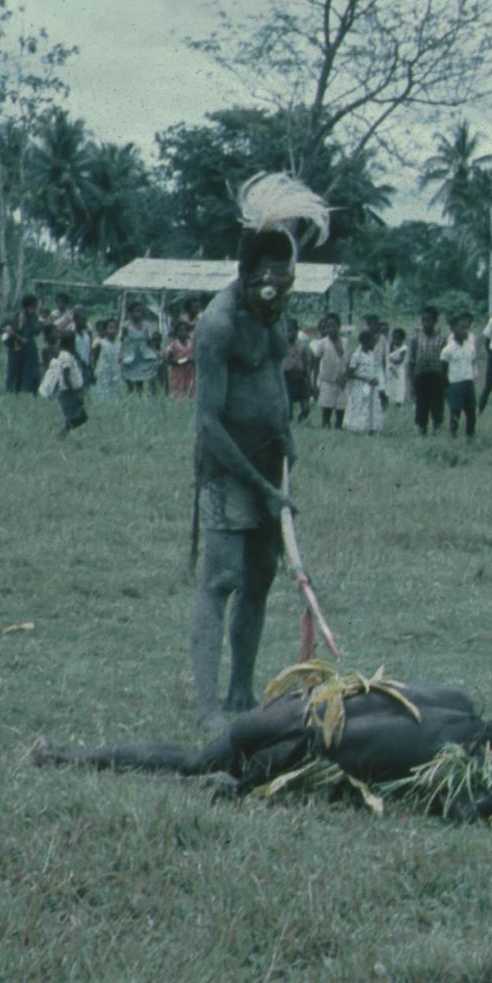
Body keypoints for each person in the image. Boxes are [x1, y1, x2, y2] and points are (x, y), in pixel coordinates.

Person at [33, 669, 492, 818]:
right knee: (205, 773)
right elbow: (466, 811)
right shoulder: (458, 765)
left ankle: (64, 755)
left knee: (195, 757)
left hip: (304, 704)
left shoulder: (453, 696)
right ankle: (230, 786)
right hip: (296, 758)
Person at [190, 172, 326, 736]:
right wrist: (258, 482)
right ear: (246, 277)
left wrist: (285, 448)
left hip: (272, 467)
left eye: (285, 289)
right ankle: (207, 708)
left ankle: (241, 687)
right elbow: (209, 423)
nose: (276, 300)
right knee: (220, 580)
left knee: (261, 579)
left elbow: (273, 382)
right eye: (267, 288)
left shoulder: (275, 315)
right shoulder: (217, 325)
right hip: (227, 468)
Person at [407, 305, 446, 436]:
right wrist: (411, 383)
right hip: (421, 377)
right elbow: (411, 361)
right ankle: (421, 433)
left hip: (437, 377)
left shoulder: (442, 338)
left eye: (428, 320)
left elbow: (445, 362)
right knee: (421, 407)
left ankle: (437, 432)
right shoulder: (415, 337)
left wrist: (446, 381)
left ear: (435, 321)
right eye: (423, 320)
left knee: (437, 407)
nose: (425, 323)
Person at [441, 312, 478, 440]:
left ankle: (470, 437)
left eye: (467, 328)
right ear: (453, 329)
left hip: (468, 383)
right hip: (455, 384)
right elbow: (444, 371)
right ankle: (452, 436)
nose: (465, 331)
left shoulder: (470, 347)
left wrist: (473, 377)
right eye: (462, 328)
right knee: (455, 412)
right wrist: (446, 388)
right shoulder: (448, 349)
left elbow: (473, 363)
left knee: (471, 413)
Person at [343, 327, 384, 434]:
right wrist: (365, 379)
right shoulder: (357, 356)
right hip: (360, 387)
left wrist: (375, 379)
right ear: (365, 342)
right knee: (360, 406)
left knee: (371, 407)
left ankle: (371, 427)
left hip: (371, 387)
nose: (374, 344)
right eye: (372, 342)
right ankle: (358, 427)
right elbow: (349, 374)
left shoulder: (371, 354)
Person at [311, 312, 347, 429]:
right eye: (328, 326)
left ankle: (339, 426)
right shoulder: (323, 343)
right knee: (327, 406)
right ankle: (325, 425)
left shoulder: (345, 342)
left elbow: (348, 362)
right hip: (327, 379)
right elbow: (316, 363)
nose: (331, 329)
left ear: (339, 326)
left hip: (341, 381)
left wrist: (345, 378)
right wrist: (314, 382)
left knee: (341, 406)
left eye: (334, 326)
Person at [52, 331, 89, 439]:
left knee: (81, 416)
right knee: (76, 415)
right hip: (69, 391)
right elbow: (66, 375)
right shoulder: (66, 356)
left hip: (73, 390)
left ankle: (63, 433)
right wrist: (74, 392)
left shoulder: (69, 355)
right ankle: (60, 434)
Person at [120, 301, 159, 392]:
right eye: (136, 311)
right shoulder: (126, 326)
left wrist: (155, 351)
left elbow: (149, 341)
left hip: (143, 353)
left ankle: (142, 395)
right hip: (131, 353)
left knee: (142, 378)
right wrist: (121, 353)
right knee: (129, 378)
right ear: (130, 313)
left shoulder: (146, 325)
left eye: (140, 311)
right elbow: (122, 341)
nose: (138, 314)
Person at [282, 318, 313, 422]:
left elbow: (306, 363)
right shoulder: (282, 346)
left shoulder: (302, 346)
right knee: (288, 405)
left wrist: (308, 378)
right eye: (286, 331)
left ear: (296, 331)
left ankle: (300, 418)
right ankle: (289, 422)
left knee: (306, 407)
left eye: (290, 330)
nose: (288, 333)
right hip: (287, 378)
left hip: (300, 378)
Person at [92, 317, 124, 399]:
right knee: (104, 394)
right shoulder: (100, 343)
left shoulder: (119, 344)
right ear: (105, 330)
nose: (113, 331)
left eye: (115, 328)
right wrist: (94, 371)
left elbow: (119, 358)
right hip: (103, 373)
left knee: (115, 394)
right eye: (110, 328)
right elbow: (94, 358)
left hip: (115, 372)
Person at [166, 320, 196, 400]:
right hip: (178, 375)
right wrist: (183, 361)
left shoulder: (191, 344)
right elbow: (169, 361)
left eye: (185, 330)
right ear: (176, 332)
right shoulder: (173, 345)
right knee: (178, 396)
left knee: (191, 395)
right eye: (181, 330)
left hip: (189, 374)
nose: (183, 333)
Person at [385, 326, 408, 410]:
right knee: (391, 388)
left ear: (402, 339)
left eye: (398, 338)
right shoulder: (391, 346)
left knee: (399, 388)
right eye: (394, 338)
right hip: (390, 371)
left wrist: (392, 360)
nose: (396, 340)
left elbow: (400, 360)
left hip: (399, 371)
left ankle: (399, 405)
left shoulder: (403, 348)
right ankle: (390, 406)